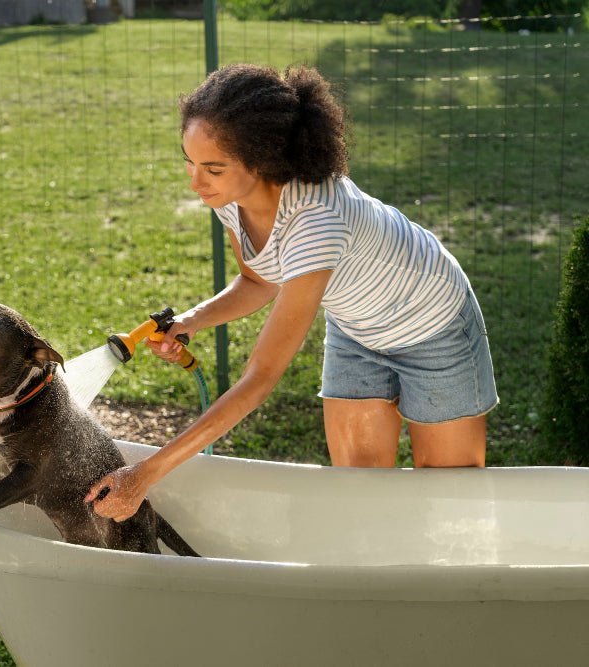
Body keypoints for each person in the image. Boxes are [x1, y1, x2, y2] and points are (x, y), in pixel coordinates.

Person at [87, 64, 498, 523]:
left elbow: (259, 378)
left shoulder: (315, 222)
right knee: (361, 491)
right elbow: (260, 280)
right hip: (357, 329)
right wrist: (190, 320)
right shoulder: (233, 200)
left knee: (448, 497)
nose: (196, 182)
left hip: (434, 322)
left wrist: (144, 475)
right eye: (190, 162)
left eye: (213, 168)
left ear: (261, 160)